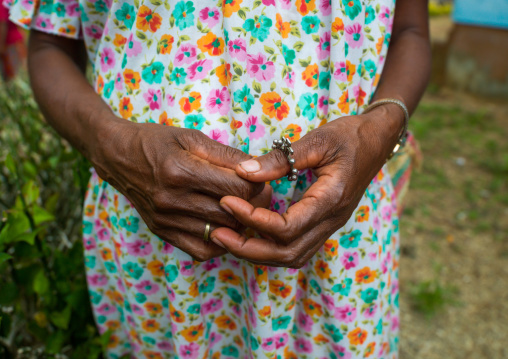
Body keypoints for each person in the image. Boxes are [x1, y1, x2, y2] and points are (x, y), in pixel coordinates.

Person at [5, 0, 430, 356]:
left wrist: (379, 131)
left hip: (340, 238)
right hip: (155, 238)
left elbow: (411, 30)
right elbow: (49, 43)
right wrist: (109, 145)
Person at [0, 0, 25, 81]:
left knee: (13, 76)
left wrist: (1, 45)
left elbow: (2, 24)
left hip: (9, 43)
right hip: (16, 41)